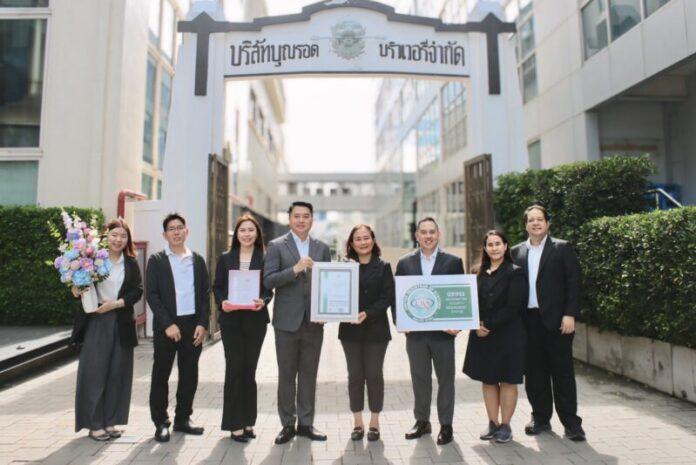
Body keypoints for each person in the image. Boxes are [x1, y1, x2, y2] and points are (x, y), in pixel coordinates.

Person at [511, 205, 586, 441]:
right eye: (531, 220)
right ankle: (540, 418)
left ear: (547, 223)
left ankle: (572, 424)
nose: (535, 223)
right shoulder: (516, 252)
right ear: (525, 225)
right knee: (535, 374)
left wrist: (570, 314)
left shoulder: (562, 248)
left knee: (562, 373)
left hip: (558, 321)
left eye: (540, 219)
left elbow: (574, 283)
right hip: (528, 322)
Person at [263, 201, 332, 445]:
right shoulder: (276, 246)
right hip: (286, 322)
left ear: (312, 219)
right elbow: (268, 280)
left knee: (309, 374)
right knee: (286, 375)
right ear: (290, 219)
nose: (301, 220)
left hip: (314, 322)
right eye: (297, 216)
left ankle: (306, 423)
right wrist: (295, 269)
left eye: (306, 216)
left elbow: (328, 284)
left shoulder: (322, 248)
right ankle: (287, 424)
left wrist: (326, 311)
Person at [394, 217, 464, 446]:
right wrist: (400, 322)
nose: (428, 236)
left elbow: (460, 296)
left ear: (438, 234)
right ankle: (422, 421)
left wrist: (458, 325)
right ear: (416, 235)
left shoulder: (453, 262)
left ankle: (446, 425)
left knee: (446, 380)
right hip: (415, 334)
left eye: (432, 232)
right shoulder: (404, 263)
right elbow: (397, 297)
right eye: (423, 232)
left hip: (444, 334)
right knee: (420, 379)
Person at [72, 219, 143, 441]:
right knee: (94, 373)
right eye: (114, 235)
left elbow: (137, 291)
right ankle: (94, 424)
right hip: (96, 320)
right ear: (105, 236)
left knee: (117, 373)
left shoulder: (130, 263)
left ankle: (111, 421)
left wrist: (117, 304)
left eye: (123, 236)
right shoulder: (92, 260)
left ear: (128, 240)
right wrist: (75, 288)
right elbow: (80, 287)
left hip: (121, 322)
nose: (118, 239)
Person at [146, 213, 210, 442]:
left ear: (186, 231)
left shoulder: (197, 260)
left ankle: (183, 418)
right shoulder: (156, 260)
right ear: (165, 235)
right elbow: (152, 295)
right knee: (161, 374)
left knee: (189, 374)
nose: (176, 232)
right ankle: (161, 422)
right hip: (167, 327)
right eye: (171, 229)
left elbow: (205, 295)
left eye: (180, 227)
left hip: (192, 325)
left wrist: (203, 323)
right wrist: (168, 324)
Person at [213, 214, 273, 442]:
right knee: (234, 368)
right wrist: (222, 302)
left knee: (249, 370)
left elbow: (269, 289)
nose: (247, 234)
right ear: (236, 234)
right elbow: (217, 287)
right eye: (242, 230)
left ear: (257, 234)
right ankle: (234, 424)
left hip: (255, 322)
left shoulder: (264, 258)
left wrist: (263, 301)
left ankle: (248, 422)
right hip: (231, 322)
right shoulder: (225, 258)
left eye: (251, 230)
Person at [463, 230, 527, 443]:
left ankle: (505, 426)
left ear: (506, 246)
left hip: (508, 335)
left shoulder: (515, 272)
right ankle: (492, 423)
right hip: (482, 335)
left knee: (508, 380)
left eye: (498, 243)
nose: (494, 248)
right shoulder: (476, 272)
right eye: (490, 244)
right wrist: (475, 325)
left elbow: (513, 307)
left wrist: (487, 324)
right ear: (485, 248)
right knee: (488, 380)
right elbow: (469, 304)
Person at [339, 224, 394, 442]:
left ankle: (374, 422)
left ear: (373, 240)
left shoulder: (383, 266)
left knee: (374, 375)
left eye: (366, 238)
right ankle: (357, 422)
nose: (363, 242)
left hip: (376, 331)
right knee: (355, 376)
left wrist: (368, 313)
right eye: (358, 239)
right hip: (350, 331)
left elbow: (387, 297)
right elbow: (336, 294)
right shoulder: (344, 267)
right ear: (351, 244)